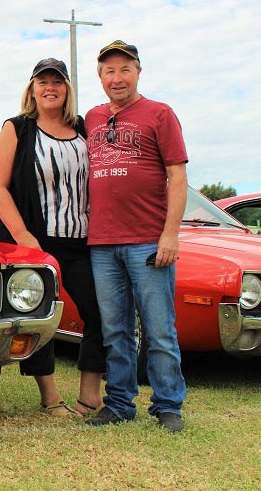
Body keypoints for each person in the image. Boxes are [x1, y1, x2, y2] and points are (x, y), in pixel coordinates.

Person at [0, 58, 106, 417]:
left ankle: (89, 395)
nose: (50, 87)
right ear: (32, 89)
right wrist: (22, 235)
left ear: (67, 89)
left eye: (57, 81)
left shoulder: (85, 129)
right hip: (36, 242)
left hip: (81, 240)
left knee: (99, 313)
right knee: (42, 315)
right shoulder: (17, 129)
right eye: (42, 81)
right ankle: (50, 397)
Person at [83, 40, 188, 433]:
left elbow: (177, 176)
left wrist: (170, 235)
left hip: (148, 240)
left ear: (138, 72)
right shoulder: (91, 118)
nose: (117, 78)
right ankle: (119, 403)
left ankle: (167, 405)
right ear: (100, 77)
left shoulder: (159, 114)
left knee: (159, 328)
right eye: (109, 71)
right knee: (116, 330)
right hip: (102, 243)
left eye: (124, 69)